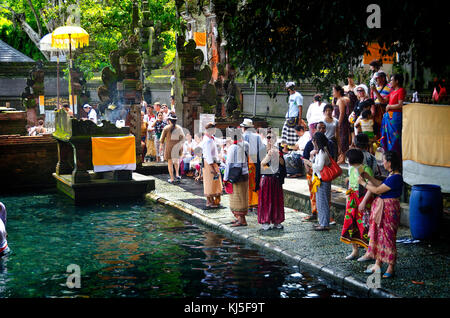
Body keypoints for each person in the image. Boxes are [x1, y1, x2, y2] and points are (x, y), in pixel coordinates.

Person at [358, 151, 403, 278]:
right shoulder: (391, 175)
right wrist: (369, 177)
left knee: (388, 237)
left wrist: (363, 183)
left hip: (389, 209)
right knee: (379, 235)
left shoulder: (396, 177)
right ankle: (377, 264)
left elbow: (378, 190)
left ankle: (391, 266)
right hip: (384, 208)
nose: (383, 163)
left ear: (390, 162)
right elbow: (380, 184)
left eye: (384, 161)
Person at [340, 148, 374, 260]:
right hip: (352, 199)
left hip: (363, 198)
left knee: (364, 224)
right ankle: (355, 250)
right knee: (351, 223)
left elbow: (371, 187)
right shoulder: (352, 169)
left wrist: (364, 202)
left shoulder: (366, 169)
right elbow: (351, 185)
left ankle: (368, 251)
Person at [302, 122, 336, 224]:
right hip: (313, 174)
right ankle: (316, 215)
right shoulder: (310, 144)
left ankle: (324, 220)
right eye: (319, 128)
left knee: (324, 199)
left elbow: (323, 164)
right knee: (315, 196)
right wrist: (308, 164)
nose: (322, 129)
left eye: (323, 128)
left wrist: (310, 163)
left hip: (322, 176)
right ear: (315, 129)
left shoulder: (325, 148)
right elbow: (305, 158)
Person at [372, 74, 406, 156]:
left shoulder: (401, 90)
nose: (390, 82)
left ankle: (395, 157)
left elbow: (400, 104)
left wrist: (389, 106)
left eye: (391, 80)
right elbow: (382, 101)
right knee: (387, 137)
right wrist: (375, 91)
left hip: (396, 116)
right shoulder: (392, 92)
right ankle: (388, 156)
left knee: (395, 137)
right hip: (389, 116)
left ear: (397, 81)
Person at [258, 132, 286, 231]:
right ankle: (265, 221)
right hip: (266, 178)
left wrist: (278, 156)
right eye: (268, 137)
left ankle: (277, 221)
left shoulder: (279, 150)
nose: (270, 139)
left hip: (276, 178)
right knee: (266, 201)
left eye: (272, 137)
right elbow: (261, 165)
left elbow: (283, 164)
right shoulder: (262, 150)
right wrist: (269, 156)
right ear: (266, 138)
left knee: (277, 200)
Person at [223, 132, 250, 227]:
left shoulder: (233, 148)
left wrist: (225, 178)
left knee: (237, 197)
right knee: (243, 195)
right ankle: (239, 218)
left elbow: (229, 164)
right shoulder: (245, 145)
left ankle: (241, 220)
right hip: (245, 173)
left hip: (236, 175)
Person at [240, 118, 265, 212]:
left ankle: (248, 202)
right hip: (256, 161)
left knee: (247, 183)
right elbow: (262, 149)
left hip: (246, 161)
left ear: (244, 128)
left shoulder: (242, 136)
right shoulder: (257, 136)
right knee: (255, 181)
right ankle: (256, 203)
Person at [202, 122, 223, 208]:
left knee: (215, 181)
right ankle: (209, 201)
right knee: (209, 182)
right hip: (209, 163)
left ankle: (212, 200)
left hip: (212, 162)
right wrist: (212, 167)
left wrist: (229, 140)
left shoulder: (211, 138)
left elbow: (219, 141)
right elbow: (208, 155)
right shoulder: (207, 140)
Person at [160, 112, 185, 184]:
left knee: (170, 163)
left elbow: (162, 139)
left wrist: (161, 147)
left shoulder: (166, 128)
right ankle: (177, 174)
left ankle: (172, 178)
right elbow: (183, 138)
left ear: (169, 120)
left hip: (169, 148)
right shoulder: (179, 128)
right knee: (176, 161)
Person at [332, 85, 351, 164]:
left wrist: (338, 124)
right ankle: (341, 156)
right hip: (339, 121)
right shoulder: (338, 100)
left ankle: (343, 157)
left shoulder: (341, 100)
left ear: (338, 92)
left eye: (334, 91)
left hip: (342, 122)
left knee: (343, 139)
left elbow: (342, 113)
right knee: (340, 139)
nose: (333, 93)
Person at [282, 82, 304, 148]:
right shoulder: (291, 96)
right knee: (285, 134)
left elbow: (300, 107)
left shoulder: (298, 96)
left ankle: (294, 148)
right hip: (289, 117)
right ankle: (287, 148)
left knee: (293, 135)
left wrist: (299, 119)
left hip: (294, 118)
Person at [372, 71, 391, 138]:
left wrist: (375, 91)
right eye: (376, 79)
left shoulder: (389, 87)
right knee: (375, 127)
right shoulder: (376, 87)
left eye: (378, 78)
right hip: (375, 108)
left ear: (383, 78)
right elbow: (373, 99)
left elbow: (383, 101)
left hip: (383, 108)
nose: (377, 80)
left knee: (382, 126)